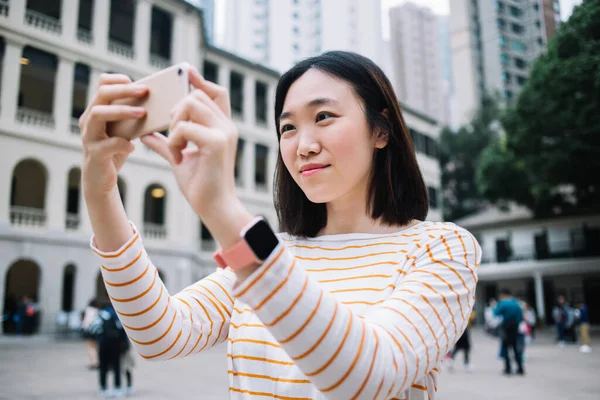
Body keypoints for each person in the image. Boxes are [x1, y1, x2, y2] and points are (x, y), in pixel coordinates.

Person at [79, 51, 480, 399]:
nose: (303, 145)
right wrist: (100, 188)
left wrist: (221, 208)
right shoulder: (274, 254)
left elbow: (367, 376)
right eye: (288, 127)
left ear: (381, 130)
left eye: (323, 117)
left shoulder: (441, 247)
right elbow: (156, 334)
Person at [89, 302, 129, 398]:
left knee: (103, 367)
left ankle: (103, 388)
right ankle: (117, 388)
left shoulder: (101, 314)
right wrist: (125, 342)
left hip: (103, 344)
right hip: (115, 345)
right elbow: (123, 330)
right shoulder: (116, 315)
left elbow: (92, 329)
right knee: (116, 367)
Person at [494, 288, 525, 376]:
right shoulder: (516, 303)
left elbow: (495, 313)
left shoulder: (503, 303)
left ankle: (508, 369)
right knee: (516, 348)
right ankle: (520, 368)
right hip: (515, 328)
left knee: (505, 349)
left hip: (505, 328)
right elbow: (520, 316)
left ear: (503, 294)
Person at [81, 298, 100, 369]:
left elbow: (85, 322)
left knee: (90, 347)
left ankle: (93, 362)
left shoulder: (87, 310)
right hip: (96, 331)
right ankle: (96, 361)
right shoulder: (97, 311)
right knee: (96, 347)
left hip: (88, 331)